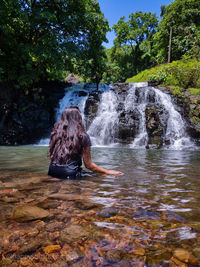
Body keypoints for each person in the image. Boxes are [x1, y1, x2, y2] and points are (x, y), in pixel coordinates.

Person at [48, 106, 123, 179]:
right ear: (78, 118)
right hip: (70, 173)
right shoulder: (82, 136)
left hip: (52, 172)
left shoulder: (56, 134)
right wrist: (107, 171)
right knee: (98, 177)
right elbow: (88, 165)